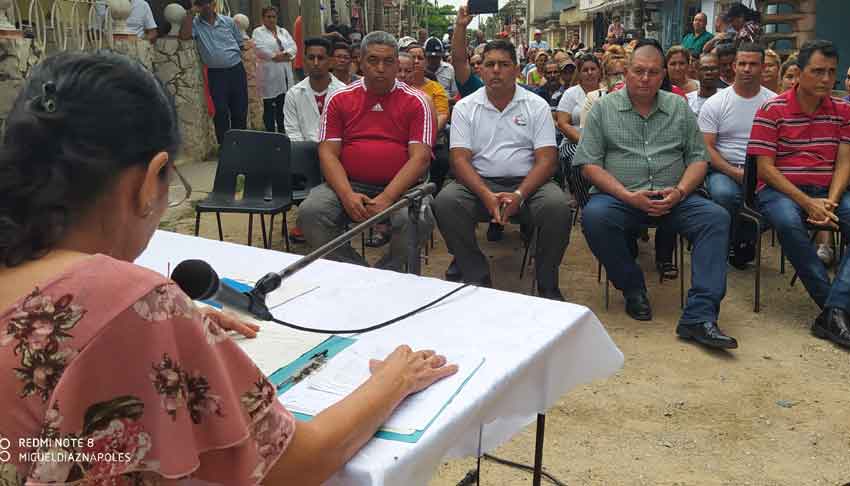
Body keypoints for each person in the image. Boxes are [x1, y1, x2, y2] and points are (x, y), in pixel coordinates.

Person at [0, 50, 457, 485]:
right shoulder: (129, 304)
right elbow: (296, 464)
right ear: (147, 181)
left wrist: (164, 326)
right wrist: (393, 381)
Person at [574, 40, 736, 349]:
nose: (645, 78)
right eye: (638, 71)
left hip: (676, 198)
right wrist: (627, 195)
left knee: (715, 218)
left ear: (663, 75)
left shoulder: (678, 108)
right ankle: (633, 287)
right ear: (626, 72)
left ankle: (699, 317)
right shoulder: (603, 109)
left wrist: (680, 191)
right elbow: (589, 165)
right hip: (621, 199)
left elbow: (698, 158)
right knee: (594, 217)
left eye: (652, 72)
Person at [432, 40, 572, 301]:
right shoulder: (465, 107)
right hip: (479, 183)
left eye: (504, 64)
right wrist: (485, 193)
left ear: (516, 69)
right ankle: (476, 274)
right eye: (490, 64)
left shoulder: (536, 104)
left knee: (558, 207)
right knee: (446, 202)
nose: (496, 70)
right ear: (480, 71)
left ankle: (546, 281)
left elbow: (547, 160)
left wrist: (519, 194)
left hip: (529, 183)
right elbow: (460, 160)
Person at [297, 31, 436, 272]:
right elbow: (327, 153)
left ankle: (386, 273)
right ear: (360, 62)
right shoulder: (339, 98)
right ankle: (358, 272)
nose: (380, 68)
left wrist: (387, 198)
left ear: (397, 65)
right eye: (372, 60)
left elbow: (421, 158)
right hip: (350, 184)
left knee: (419, 219)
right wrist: (347, 194)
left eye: (388, 61)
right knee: (311, 213)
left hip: (404, 188)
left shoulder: (418, 101)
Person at [748, 40, 850, 349]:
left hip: (828, 189)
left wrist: (830, 200)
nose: (825, 79)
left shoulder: (843, 110)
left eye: (831, 72)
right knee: (789, 223)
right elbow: (765, 169)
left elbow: (846, 159)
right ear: (798, 72)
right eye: (817, 71)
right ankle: (833, 307)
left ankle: (834, 311)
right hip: (781, 190)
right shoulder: (771, 110)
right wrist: (807, 203)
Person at [700, 43, 776, 269]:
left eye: (753, 64)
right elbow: (707, 148)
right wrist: (735, 172)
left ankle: (743, 238)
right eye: (742, 63)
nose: (747, 69)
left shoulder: (774, 103)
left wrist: (759, 174)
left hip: (765, 169)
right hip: (724, 168)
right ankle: (733, 242)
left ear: (762, 67)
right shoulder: (716, 103)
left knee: (780, 204)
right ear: (733, 66)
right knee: (725, 195)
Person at [179, 0, 248, 145]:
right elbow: (184, 36)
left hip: (236, 70)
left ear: (213, 4)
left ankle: (241, 146)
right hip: (216, 75)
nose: (206, 6)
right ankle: (225, 148)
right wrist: (191, 13)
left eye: (208, 2)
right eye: (201, 3)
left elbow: (241, 45)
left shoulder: (228, 22)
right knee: (221, 111)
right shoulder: (196, 24)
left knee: (240, 111)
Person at [284, 37, 346, 142]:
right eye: (311, 58)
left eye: (321, 58)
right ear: (304, 61)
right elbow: (292, 133)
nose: (316, 63)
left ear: (330, 62)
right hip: (303, 153)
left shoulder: (344, 92)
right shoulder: (293, 94)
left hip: (337, 153)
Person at [252, 6, 296, 133]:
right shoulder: (258, 32)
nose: (271, 19)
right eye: (268, 17)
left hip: (285, 72)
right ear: (263, 18)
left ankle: (283, 132)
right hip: (269, 74)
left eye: (274, 16)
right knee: (269, 106)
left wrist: (286, 55)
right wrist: (274, 56)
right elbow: (259, 48)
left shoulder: (283, 31)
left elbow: (293, 46)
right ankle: (270, 133)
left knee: (283, 105)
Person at [686, 52, 720, 117]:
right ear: (697, 72)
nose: (709, 72)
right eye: (704, 69)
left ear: (720, 71)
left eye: (713, 69)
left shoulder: (728, 98)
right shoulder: (688, 101)